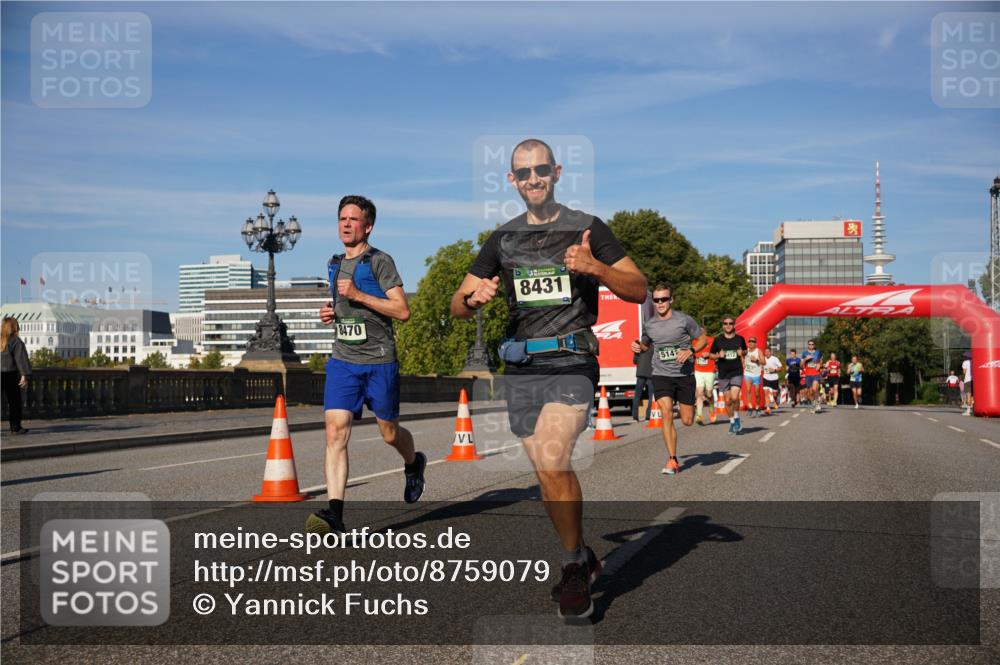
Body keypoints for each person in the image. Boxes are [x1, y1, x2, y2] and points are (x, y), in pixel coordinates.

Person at [450, 138, 647, 619]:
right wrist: (473, 301)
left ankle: (572, 567)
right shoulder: (502, 239)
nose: (533, 178)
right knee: (546, 475)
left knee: (556, 458)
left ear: (557, 172)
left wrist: (596, 267)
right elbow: (457, 303)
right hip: (521, 368)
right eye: (524, 172)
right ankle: (582, 554)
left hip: (572, 361)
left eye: (542, 170)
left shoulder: (587, 228)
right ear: (511, 181)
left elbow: (639, 287)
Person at [307, 195, 426, 537]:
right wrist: (332, 313)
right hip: (344, 361)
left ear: (368, 226)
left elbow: (402, 311)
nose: (345, 224)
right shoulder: (334, 263)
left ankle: (413, 462)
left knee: (389, 432)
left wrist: (358, 295)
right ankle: (335, 515)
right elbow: (343, 307)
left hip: (379, 362)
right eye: (341, 218)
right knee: (335, 431)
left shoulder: (380, 261)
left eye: (353, 219)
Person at [631, 284, 707, 475]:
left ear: (671, 300)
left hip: (684, 375)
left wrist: (690, 350)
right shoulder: (649, 324)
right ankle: (672, 459)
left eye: (663, 299)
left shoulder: (684, 320)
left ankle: (684, 408)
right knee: (665, 412)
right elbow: (646, 345)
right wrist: (638, 346)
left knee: (688, 420)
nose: (660, 303)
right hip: (661, 374)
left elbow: (703, 338)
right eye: (656, 300)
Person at [710, 316, 747, 435]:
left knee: (735, 397)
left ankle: (736, 418)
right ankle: (731, 422)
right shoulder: (718, 340)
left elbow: (745, 350)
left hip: (736, 371)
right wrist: (718, 356)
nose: (728, 325)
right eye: (725, 323)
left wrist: (743, 353)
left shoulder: (740, 339)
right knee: (727, 401)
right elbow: (710, 355)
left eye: (730, 323)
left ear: (734, 325)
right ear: (723, 326)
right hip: (723, 373)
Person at [1, 316, 31, 435]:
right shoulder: (15, 341)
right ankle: (15, 427)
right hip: (10, 375)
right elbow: (20, 359)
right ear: (14, 327)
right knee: (14, 402)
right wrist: (24, 375)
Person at [693, 326, 717, 425]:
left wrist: (710, 355)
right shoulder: (694, 342)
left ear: (706, 332)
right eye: (699, 331)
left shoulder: (713, 341)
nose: (701, 333)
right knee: (699, 393)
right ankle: (699, 415)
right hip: (698, 370)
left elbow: (718, 355)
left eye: (702, 331)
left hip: (710, 371)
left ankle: (712, 409)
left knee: (709, 394)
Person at [742, 337, 764, 417]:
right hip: (747, 373)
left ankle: (757, 408)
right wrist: (743, 362)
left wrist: (757, 360)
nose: (751, 342)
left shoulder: (758, 351)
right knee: (748, 390)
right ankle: (750, 408)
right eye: (750, 341)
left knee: (757, 393)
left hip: (756, 374)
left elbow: (764, 362)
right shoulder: (746, 351)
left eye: (753, 341)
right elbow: (742, 357)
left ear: (755, 343)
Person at [631, 344, 653, 422]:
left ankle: (635, 417)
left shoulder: (638, 347)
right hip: (651, 374)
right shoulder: (653, 347)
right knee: (651, 396)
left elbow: (635, 361)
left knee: (637, 395)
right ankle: (648, 416)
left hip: (640, 374)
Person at [802, 340, 823, 413]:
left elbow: (820, 361)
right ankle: (814, 404)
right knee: (810, 392)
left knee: (814, 389)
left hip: (816, 373)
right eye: (809, 344)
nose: (811, 345)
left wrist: (819, 365)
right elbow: (801, 365)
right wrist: (805, 359)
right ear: (808, 345)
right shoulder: (804, 353)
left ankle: (817, 403)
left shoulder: (818, 352)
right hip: (808, 375)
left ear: (814, 345)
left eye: (812, 344)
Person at [762, 346, 782, 414]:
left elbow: (781, 368)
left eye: (768, 352)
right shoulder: (763, 359)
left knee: (774, 394)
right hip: (766, 377)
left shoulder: (775, 359)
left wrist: (775, 370)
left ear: (771, 352)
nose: (766, 353)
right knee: (766, 392)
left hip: (774, 378)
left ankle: (776, 400)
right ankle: (768, 408)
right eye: (765, 352)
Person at [962, 352, 973, 416]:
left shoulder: (965, 362)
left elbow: (964, 372)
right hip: (974, 380)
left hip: (967, 380)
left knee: (968, 395)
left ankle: (968, 411)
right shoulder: (974, 361)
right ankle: (974, 410)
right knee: (973, 396)